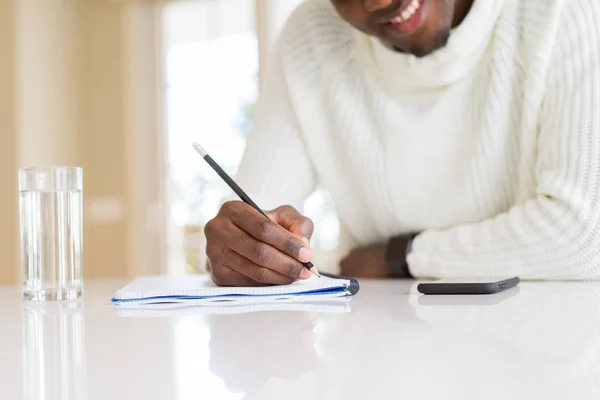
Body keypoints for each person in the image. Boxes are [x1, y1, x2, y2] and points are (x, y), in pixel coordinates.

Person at [203, 0, 600, 286]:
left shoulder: (564, 12)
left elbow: (585, 237)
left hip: (543, 354)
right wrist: (243, 248)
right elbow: (257, 213)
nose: (378, 2)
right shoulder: (310, 36)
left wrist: (399, 257)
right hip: (380, 351)